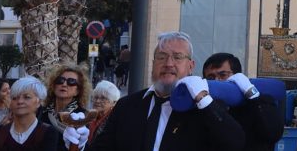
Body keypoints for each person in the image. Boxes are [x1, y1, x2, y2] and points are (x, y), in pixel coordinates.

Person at [91, 30, 245, 151]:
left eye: (177, 57)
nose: (168, 63)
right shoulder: (127, 106)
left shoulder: (205, 108)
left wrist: (203, 99)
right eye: (161, 57)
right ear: (153, 63)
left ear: (190, 66)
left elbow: (235, 143)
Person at [202, 52, 283, 151]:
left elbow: (273, 133)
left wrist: (252, 94)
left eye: (223, 75)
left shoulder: (260, 101)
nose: (216, 81)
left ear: (237, 76)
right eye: (210, 78)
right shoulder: (205, 109)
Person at [0, 77, 61, 151]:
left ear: (38, 102)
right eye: (15, 98)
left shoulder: (47, 132)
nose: (20, 101)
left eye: (27, 97)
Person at [39, 64, 90, 135]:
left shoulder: (83, 116)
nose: (64, 84)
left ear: (77, 91)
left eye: (71, 81)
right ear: (53, 86)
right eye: (60, 80)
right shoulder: (41, 112)